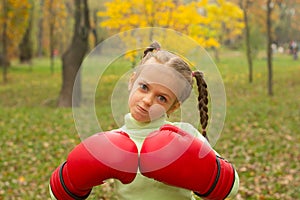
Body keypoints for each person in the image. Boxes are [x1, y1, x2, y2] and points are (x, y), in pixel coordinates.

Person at [49, 41, 239, 200]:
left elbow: (231, 188)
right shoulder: (111, 142)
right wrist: (70, 181)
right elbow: (56, 193)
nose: (148, 101)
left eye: (162, 98)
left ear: (174, 107)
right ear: (132, 81)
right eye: (144, 87)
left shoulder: (185, 135)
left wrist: (208, 174)